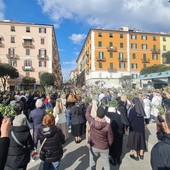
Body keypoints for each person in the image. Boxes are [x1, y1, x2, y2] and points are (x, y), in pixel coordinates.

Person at [86, 105, 113, 170]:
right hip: (104, 147)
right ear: (104, 115)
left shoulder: (92, 122)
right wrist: (108, 144)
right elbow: (110, 138)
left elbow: (87, 115)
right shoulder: (107, 126)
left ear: (97, 114)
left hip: (94, 145)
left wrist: (90, 106)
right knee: (106, 164)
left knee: (92, 162)